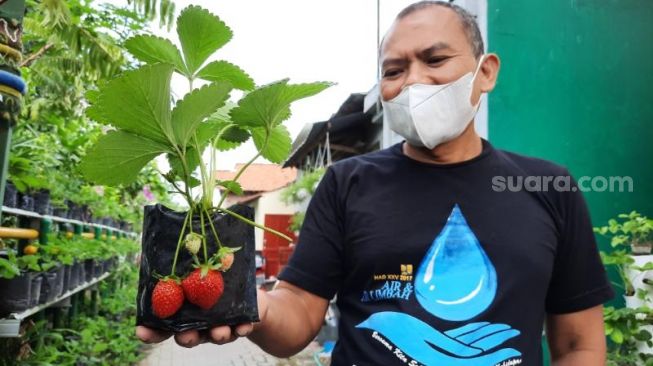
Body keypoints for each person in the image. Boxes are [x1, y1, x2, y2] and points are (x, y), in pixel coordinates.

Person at [136, 2, 614, 365]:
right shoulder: (348, 183)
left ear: (484, 71)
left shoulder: (548, 186)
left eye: (435, 60)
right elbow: (299, 315)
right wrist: (245, 300)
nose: (413, 82)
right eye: (394, 70)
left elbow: (579, 343)